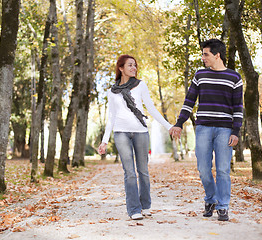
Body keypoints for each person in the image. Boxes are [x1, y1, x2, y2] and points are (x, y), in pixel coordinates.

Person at [171, 39, 243, 221]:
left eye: (206, 54)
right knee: (203, 168)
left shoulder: (234, 78)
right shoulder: (200, 75)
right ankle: (211, 199)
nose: (203, 58)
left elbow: (238, 108)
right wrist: (179, 123)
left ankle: (223, 206)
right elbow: (189, 101)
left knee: (223, 170)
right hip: (203, 128)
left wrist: (236, 131)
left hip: (225, 130)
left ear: (217, 55)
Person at [98, 54, 176, 220]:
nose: (134, 68)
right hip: (121, 133)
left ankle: (145, 205)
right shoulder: (112, 92)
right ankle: (134, 209)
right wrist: (104, 141)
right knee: (129, 172)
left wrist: (169, 126)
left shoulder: (140, 85)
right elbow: (111, 117)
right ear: (121, 68)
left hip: (140, 132)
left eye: (135, 65)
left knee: (143, 171)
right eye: (130, 65)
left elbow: (152, 109)